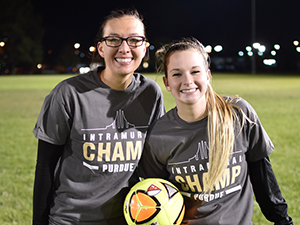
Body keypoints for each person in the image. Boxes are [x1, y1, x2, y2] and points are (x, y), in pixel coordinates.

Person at [137, 37, 293, 225]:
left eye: (195, 71)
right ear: (167, 82)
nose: (188, 81)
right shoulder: (158, 135)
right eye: (177, 74)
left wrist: (282, 220)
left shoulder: (238, 113)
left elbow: (263, 177)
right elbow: (156, 194)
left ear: (207, 75)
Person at [32, 8, 165, 225]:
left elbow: (155, 162)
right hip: (71, 219)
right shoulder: (68, 94)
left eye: (134, 40)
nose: (124, 48)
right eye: (114, 40)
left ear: (144, 47)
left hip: (128, 219)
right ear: (101, 48)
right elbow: (45, 164)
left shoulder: (150, 93)